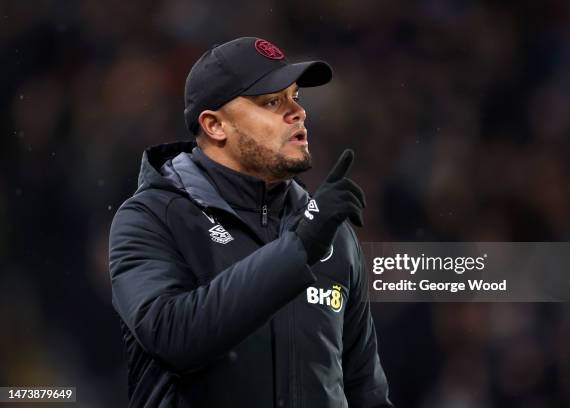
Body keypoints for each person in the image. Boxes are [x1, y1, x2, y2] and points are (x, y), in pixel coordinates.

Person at [109, 37, 393, 408]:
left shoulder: (332, 234)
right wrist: (299, 248)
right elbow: (172, 336)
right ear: (214, 126)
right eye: (272, 102)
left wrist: (307, 239)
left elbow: (365, 390)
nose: (297, 112)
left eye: (296, 97)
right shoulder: (150, 217)